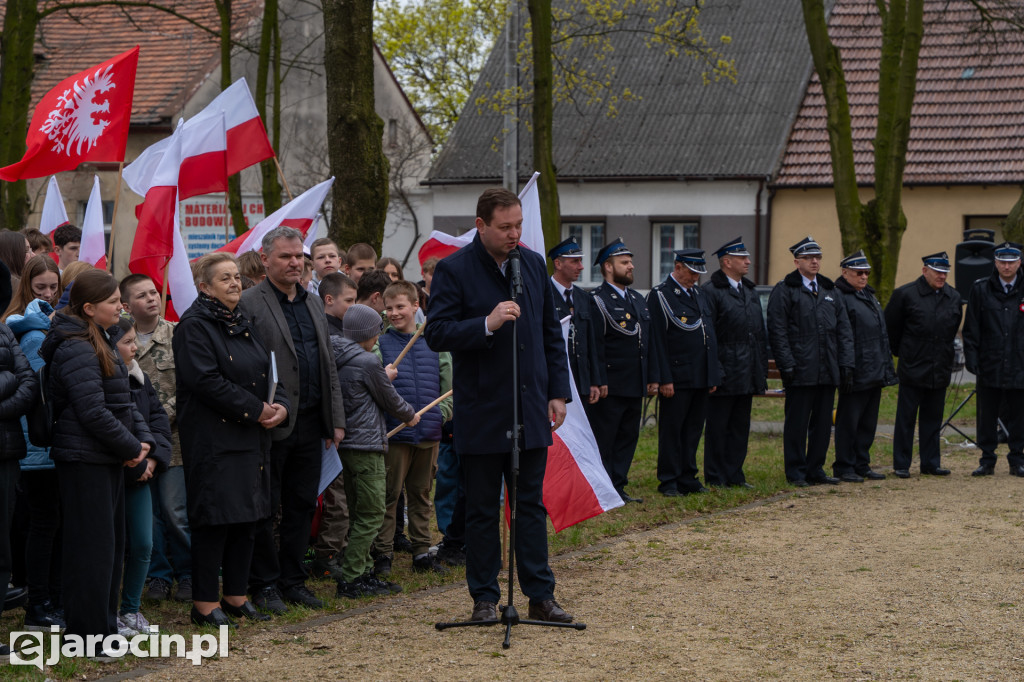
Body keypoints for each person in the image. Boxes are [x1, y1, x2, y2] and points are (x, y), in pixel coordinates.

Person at [424, 187, 573, 624]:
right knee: (484, 510)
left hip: (529, 408)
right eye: (505, 227)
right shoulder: (455, 270)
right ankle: (485, 599)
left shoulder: (531, 263)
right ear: (481, 225)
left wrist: (557, 392)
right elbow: (438, 333)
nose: (514, 234)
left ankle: (540, 596)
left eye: (519, 226)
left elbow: (550, 333)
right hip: (483, 409)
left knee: (529, 506)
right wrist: (485, 325)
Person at [38, 270, 154, 656]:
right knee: (90, 551)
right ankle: (85, 636)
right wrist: (130, 448)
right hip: (84, 460)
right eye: (113, 302)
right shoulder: (75, 347)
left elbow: (123, 401)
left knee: (109, 548)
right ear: (89, 308)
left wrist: (140, 442)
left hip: (103, 457)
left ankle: (104, 628)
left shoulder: (99, 339)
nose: (121, 306)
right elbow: (92, 411)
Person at [174, 252, 289, 627]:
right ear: (204, 286)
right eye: (225, 278)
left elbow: (267, 369)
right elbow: (205, 381)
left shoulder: (242, 320)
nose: (235, 283)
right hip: (216, 440)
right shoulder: (194, 326)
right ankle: (205, 604)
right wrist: (256, 410)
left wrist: (280, 405)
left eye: (237, 277)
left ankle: (236, 596)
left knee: (248, 517)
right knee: (216, 521)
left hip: (251, 438)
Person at [239, 226, 345, 613]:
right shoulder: (250, 301)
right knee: (265, 507)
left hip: (312, 422)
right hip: (271, 421)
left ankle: (293, 580)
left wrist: (335, 418)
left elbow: (327, 363)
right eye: (285, 256)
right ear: (265, 259)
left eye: (298, 255)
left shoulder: (314, 302)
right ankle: (264, 583)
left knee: (302, 504)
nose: (295, 263)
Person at [333, 304, 418, 597]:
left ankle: (363, 569)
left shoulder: (336, 355)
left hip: (346, 445)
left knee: (358, 510)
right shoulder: (367, 362)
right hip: (367, 444)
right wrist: (410, 415)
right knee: (372, 512)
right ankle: (354, 577)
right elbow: (390, 399)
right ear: (370, 333)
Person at [119, 274, 193, 604]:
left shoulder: (177, 335)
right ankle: (158, 576)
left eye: (153, 292)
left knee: (175, 511)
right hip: (136, 444)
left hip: (173, 442)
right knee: (148, 518)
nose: (151, 298)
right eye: (142, 295)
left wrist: (160, 418)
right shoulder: (119, 340)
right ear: (126, 306)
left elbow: (188, 385)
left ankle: (189, 573)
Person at [372, 281, 453, 576]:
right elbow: (377, 388)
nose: (394, 313)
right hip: (396, 433)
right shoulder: (381, 344)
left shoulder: (434, 342)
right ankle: (382, 553)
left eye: (400, 307)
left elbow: (449, 387)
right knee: (390, 495)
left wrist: (439, 416)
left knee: (421, 494)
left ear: (416, 306)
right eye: (389, 308)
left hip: (428, 433)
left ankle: (421, 551)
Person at [3, 256, 64, 630]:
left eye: (53, 287)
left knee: (51, 526)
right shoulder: (31, 333)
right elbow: (41, 395)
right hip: (36, 447)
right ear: (25, 286)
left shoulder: (46, 328)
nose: (48, 294)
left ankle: (47, 601)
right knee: (44, 527)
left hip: (46, 446)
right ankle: (38, 605)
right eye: (40, 287)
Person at [767, 236, 854, 487]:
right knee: (797, 423)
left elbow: (844, 331)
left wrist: (846, 365)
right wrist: (787, 365)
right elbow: (778, 331)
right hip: (801, 369)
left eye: (817, 257)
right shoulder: (785, 290)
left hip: (827, 369)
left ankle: (816, 468)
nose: (814, 261)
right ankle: (795, 470)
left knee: (823, 424)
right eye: (808, 258)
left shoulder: (829, 290)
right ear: (797, 262)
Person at [587, 238, 659, 504]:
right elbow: (594, 344)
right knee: (605, 438)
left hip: (635, 381)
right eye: (624, 262)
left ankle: (618, 485)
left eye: (630, 262)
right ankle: (602, 488)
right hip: (611, 383)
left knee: (628, 437)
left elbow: (647, 342)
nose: (631, 266)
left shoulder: (638, 300)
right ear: (608, 266)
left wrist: (652, 377)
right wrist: (598, 379)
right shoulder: (596, 300)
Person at [112, 318, 171, 636]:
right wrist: (137, 460)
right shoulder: (106, 377)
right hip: (115, 475)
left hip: (141, 473)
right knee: (113, 547)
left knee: (144, 543)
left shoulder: (139, 377)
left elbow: (158, 419)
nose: (135, 347)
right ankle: (110, 612)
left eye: (135, 340)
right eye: (128, 342)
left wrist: (153, 459)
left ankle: (131, 610)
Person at [885, 252, 963, 478]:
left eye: (945, 272)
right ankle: (901, 463)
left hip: (940, 366)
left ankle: (930, 462)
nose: (942, 276)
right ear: (925, 270)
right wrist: (906, 353)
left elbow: (952, 328)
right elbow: (891, 330)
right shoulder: (905, 294)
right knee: (906, 418)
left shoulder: (953, 297)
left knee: (933, 418)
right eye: (938, 272)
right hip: (913, 365)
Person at [649, 249, 720, 496]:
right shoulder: (661, 295)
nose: (695, 278)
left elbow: (708, 336)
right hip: (677, 377)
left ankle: (688, 477)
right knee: (672, 431)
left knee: (692, 430)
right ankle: (669, 480)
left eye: (699, 273)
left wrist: (712, 375)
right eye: (691, 272)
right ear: (678, 267)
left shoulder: (699, 295)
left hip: (700, 375)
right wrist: (664, 378)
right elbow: (657, 340)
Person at [702, 237, 768, 488]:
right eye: (743, 258)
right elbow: (710, 335)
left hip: (746, 369)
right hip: (725, 370)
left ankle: (735, 473)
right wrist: (716, 370)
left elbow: (758, 333)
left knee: (740, 426)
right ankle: (716, 475)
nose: (748, 262)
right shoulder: (712, 291)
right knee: (719, 427)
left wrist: (758, 369)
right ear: (727, 262)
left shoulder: (749, 291)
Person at [309, 271, 359, 581]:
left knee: (342, 496)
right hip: (327, 427)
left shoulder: (347, 329)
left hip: (347, 424)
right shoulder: (325, 333)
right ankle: (325, 557)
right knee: (334, 497)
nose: (354, 307)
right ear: (329, 300)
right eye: (349, 301)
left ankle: (332, 551)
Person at [833, 250, 896, 482]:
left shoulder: (869, 296)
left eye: (867, 273)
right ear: (845, 272)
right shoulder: (840, 296)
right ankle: (844, 465)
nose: (864, 277)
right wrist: (847, 367)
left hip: (874, 369)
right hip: (855, 370)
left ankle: (862, 462)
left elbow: (881, 335)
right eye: (859, 272)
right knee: (849, 421)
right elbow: (843, 336)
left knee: (868, 422)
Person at [964, 242, 1024, 477]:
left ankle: (1017, 459)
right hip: (990, 362)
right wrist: (972, 358)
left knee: (1020, 415)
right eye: (1002, 262)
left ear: (1019, 263)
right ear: (995, 263)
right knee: (987, 415)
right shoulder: (980, 289)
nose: (1007, 266)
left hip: (1020, 363)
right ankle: (987, 459)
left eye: (1011, 262)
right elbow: (971, 328)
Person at [0, 319, 37, 658]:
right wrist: (7, 379)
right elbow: (15, 378)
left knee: (1, 544)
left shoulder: (4, 330)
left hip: (5, 450)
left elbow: (28, 382)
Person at [548, 236, 604, 404]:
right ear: (558, 264)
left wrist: (594, 380)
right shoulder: (545, 294)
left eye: (580, 261)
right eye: (574, 262)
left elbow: (590, 341)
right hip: (556, 379)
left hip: (581, 380)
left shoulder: (583, 297)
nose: (581, 267)